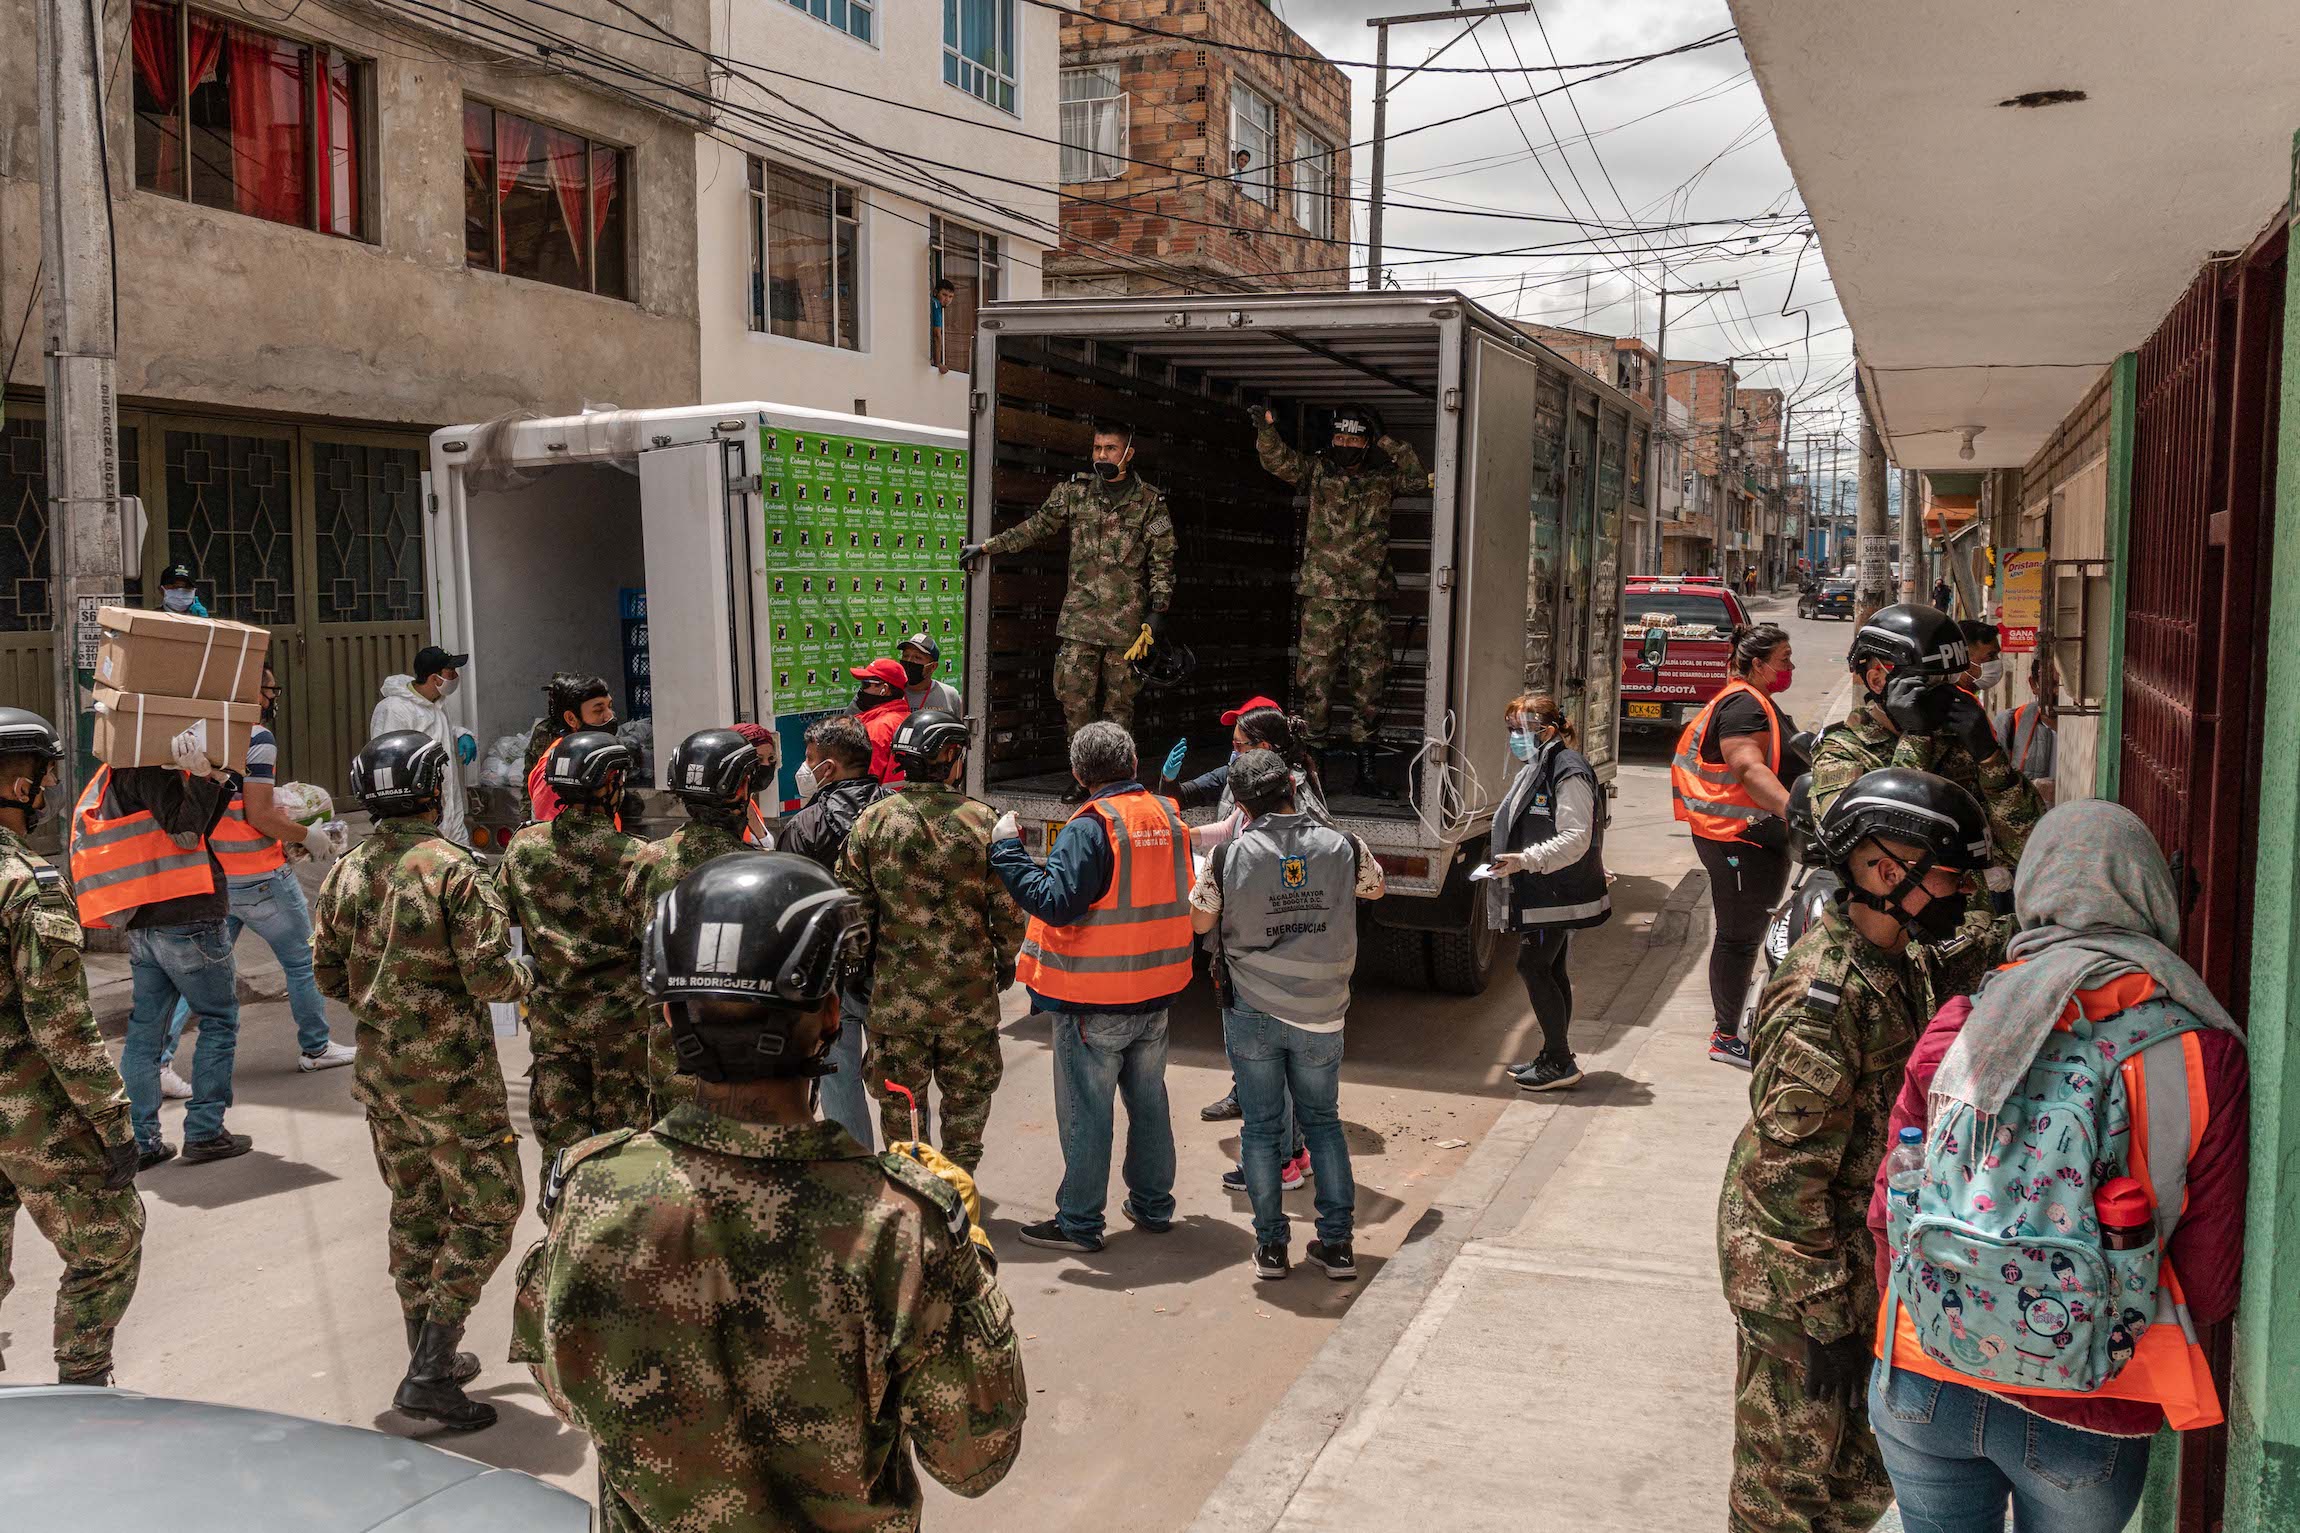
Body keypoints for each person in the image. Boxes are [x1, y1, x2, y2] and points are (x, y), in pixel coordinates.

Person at [514, 852, 1026, 1529]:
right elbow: (976, 1459)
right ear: (832, 1015)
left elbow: (565, 1386)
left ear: (670, 1018)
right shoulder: (902, 1225)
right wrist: (966, 1258)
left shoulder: (595, 1191)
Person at [1863, 801, 2248, 1532]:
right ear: (2149, 897)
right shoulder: (2204, 1055)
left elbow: (1890, 1206)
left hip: (1926, 1369)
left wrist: (1949, 1314)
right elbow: (2209, 1283)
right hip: (2094, 1400)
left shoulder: (1962, 1023)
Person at [1716, 768, 1993, 1533]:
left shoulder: (1904, 956)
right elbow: (1779, 1182)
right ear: (1881, 870)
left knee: (1856, 1486)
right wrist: (1828, 1321)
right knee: (1789, 1496)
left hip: (1853, 1275)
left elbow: (1984, 942)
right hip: (1799, 1283)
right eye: (1947, 876)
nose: (1960, 893)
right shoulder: (1825, 998)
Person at [311, 730, 533, 1431]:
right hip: (455, 1082)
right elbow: (492, 976)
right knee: (492, 1208)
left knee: (416, 1209)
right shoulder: (454, 870)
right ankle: (433, 1367)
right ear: (432, 788)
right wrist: (530, 975)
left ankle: (424, 1353)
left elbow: (324, 974)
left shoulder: (345, 870)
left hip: (383, 1077)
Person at [989, 721, 1188, 1254]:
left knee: (1086, 1112)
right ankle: (1153, 1206)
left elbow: (1055, 901)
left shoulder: (1092, 826)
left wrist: (1007, 852)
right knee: (1149, 1103)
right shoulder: (1166, 815)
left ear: (1078, 773)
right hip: (1156, 989)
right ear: (1134, 762)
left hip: (1095, 1000)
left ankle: (1079, 1223)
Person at [1189, 750, 1384, 1281]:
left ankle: (1272, 1248)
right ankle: (1339, 1246)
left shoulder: (1228, 857)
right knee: (1323, 1124)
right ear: (1293, 791)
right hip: (1323, 1011)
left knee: (1261, 1129)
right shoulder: (1345, 845)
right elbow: (1375, 887)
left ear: (1242, 807)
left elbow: (1201, 922)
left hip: (1252, 1009)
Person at [0, 708, 143, 1383]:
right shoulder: (28, 885)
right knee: (111, 1240)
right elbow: (63, 1027)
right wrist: (114, 1123)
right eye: (42, 776)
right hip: (27, 1109)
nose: (51, 789)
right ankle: (83, 1388)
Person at [838, 710, 1023, 1174]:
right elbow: (1009, 910)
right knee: (965, 1125)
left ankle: (913, 1210)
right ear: (947, 756)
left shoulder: (873, 823)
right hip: (970, 1005)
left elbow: (850, 911)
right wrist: (1005, 960)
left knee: (904, 1132)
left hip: (896, 1005)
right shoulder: (984, 822)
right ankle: (960, 1209)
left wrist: (861, 969)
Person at [157, 661, 353, 1094]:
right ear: (250, 695)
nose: (272, 697)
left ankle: (160, 1061)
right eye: (268, 689)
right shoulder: (256, 738)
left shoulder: (195, 737)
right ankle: (317, 1048)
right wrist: (308, 836)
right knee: (303, 963)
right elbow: (260, 814)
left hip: (219, 877)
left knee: (198, 974)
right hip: (263, 877)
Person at [961, 418, 1177, 780]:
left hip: (1125, 628)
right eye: (1097, 448)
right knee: (1074, 703)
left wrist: (1158, 612)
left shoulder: (1149, 502)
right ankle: (1084, 778)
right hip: (1079, 623)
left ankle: (1116, 778)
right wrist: (987, 547)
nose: (1102, 455)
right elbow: (1037, 526)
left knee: (1118, 708)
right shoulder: (1074, 493)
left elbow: (1163, 559)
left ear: (1128, 453)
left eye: (1110, 448)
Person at [72, 728, 249, 1169]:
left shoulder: (113, 774)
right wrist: (204, 780)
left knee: (145, 1033)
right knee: (219, 1021)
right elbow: (188, 834)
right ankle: (206, 1131)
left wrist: (214, 780)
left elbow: (189, 823)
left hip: (143, 925)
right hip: (188, 919)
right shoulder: (150, 767)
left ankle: (144, 1141)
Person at [1168, 694, 1329, 1134]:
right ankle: (1251, 1097)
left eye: (1241, 745)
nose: (1233, 752)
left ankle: (1283, 1145)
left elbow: (1310, 855)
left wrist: (1232, 869)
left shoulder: (1293, 790)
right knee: (1241, 1026)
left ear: (1267, 746)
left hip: (1269, 931)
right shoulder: (1248, 777)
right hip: (1239, 927)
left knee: (1269, 1041)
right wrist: (1189, 836)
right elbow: (1233, 827)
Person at [1810, 604, 2043, 907]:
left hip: (1976, 925)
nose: (1948, 695)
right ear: (1879, 680)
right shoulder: (1842, 753)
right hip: (1896, 929)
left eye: (1950, 682)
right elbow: (1884, 851)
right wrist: (1916, 739)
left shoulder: (1957, 741)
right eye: (1931, 685)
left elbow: (2027, 844)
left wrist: (1989, 757)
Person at [1255, 403, 1426, 792]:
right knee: (1316, 684)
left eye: (1353, 439)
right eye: (1339, 438)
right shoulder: (1317, 473)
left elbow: (1417, 480)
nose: (1344, 445)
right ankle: (1315, 774)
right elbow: (1276, 461)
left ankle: (1366, 774)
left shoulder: (1383, 479)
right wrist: (1266, 430)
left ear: (1366, 445)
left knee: (1370, 687)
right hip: (1323, 601)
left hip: (1369, 601)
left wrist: (1385, 440)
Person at [499, 732, 651, 1163]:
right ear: (609, 784)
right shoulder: (637, 857)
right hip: (623, 1029)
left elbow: (503, 918)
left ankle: (561, 1228)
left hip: (553, 1025)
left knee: (563, 1147)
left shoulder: (524, 849)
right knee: (627, 1149)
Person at [1671, 623, 1804, 1068]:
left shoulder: (1755, 701)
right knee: (1738, 938)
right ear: (1758, 664)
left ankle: (1732, 1028)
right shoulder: (1744, 706)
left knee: (1743, 935)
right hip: (1740, 836)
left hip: (1748, 836)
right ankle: (1726, 1036)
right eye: (1784, 659)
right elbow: (1749, 770)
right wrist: (1799, 813)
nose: (1790, 667)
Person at [626, 727, 771, 1109]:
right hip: (742, 1050)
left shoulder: (649, 860)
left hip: (669, 1048)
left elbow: (635, 937)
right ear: (741, 789)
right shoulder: (759, 873)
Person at [1489, 692, 1610, 1093]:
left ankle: (1560, 1060)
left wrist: (1525, 859)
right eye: (1510, 731)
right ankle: (1554, 1054)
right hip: (1546, 886)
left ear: (1549, 731)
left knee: (1533, 967)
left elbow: (1576, 836)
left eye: (1521, 731)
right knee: (1550, 968)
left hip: (1553, 890)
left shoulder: (1566, 768)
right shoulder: (1542, 762)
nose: (1514, 739)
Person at [776, 715, 885, 1150]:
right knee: (900, 1081)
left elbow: (786, 906)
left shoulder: (806, 826)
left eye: (809, 760)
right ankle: (915, 1175)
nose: (804, 769)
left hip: (828, 976)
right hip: (894, 968)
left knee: (838, 1076)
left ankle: (856, 1171)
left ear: (829, 768)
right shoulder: (893, 810)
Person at [371, 646, 476, 846]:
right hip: (417, 814)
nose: (455, 676)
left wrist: (461, 733)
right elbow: (385, 763)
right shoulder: (394, 710)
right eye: (450, 672)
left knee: (461, 862)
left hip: (449, 807)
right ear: (435, 678)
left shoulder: (437, 703)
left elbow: (440, 730)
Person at [523, 673, 616, 825]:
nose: (609, 716)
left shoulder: (597, 755)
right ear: (571, 719)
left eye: (609, 707)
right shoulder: (557, 766)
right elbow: (553, 837)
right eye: (598, 710)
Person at [1994, 654, 2059, 800]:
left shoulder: (2091, 724)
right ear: (2034, 685)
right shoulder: (2009, 723)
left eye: (2063, 685)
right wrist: (2034, 788)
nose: (2058, 692)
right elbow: (1992, 788)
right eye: (2053, 684)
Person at [848, 658, 913, 786]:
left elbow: (864, 784)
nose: (861, 690)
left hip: (879, 804)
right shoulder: (911, 719)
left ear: (884, 689)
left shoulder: (876, 729)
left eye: (865, 684)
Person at [899, 631, 964, 716]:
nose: (909, 661)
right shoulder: (892, 692)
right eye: (906, 656)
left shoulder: (949, 695)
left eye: (917, 657)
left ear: (933, 666)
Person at [1959, 619, 2004, 697]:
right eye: (1991, 655)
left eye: (1997, 655)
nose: (1997, 661)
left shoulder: (1965, 700)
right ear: (1964, 659)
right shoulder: (1951, 704)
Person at [930, 275, 958, 374]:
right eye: (944, 295)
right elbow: (937, 334)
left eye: (950, 297)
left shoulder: (931, 302)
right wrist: (938, 363)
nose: (947, 299)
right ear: (935, 292)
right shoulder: (936, 305)